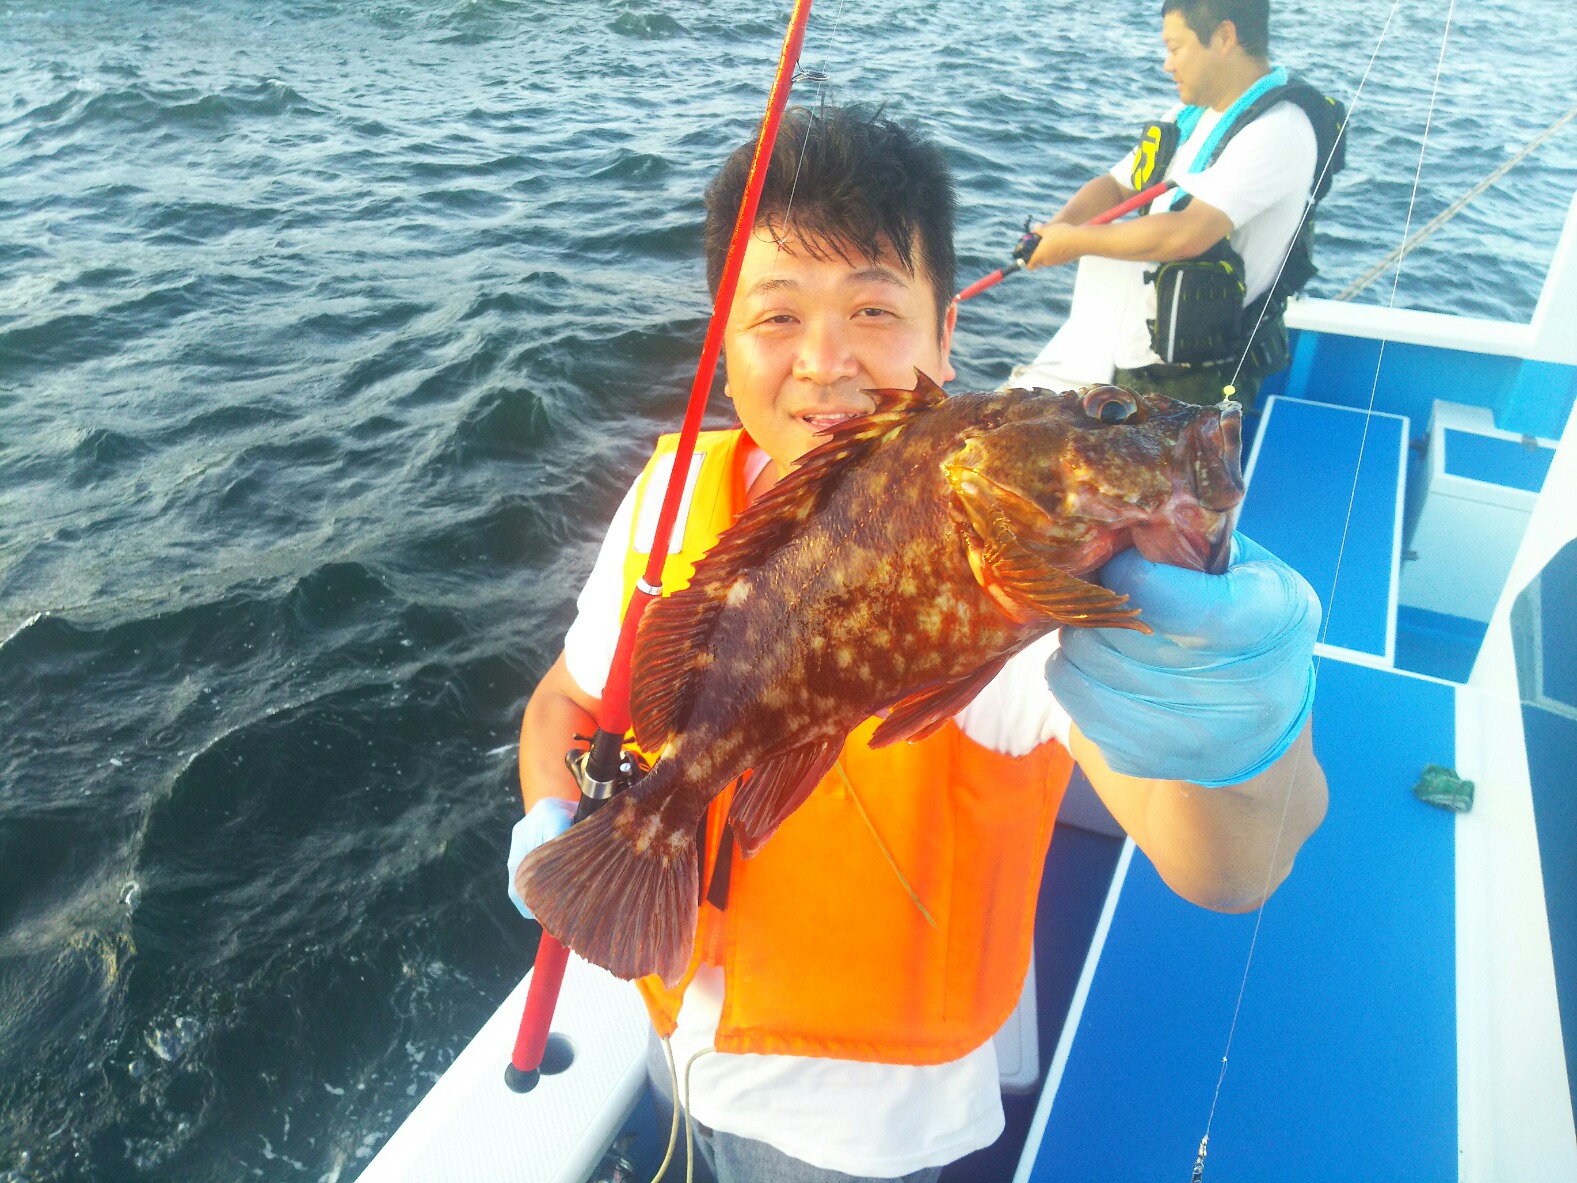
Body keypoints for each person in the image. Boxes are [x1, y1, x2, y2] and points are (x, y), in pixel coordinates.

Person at [507, 104, 1328, 1183]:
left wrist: (1246, 746)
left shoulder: (1046, 590)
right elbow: (565, 702)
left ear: (946, 336)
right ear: (721, 345)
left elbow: (1227, 870)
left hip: (858, 1140)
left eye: (873, 309)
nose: (824, 359)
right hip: (673, 1046)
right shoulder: (668, 500)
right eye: (775, 315)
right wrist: (551, 814)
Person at [1010, 0, 1344, 411]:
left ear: (1224, 37)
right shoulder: (1187, 117)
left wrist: (1074, 243)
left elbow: (1189, 233)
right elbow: (1116, 186)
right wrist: (1051, 232)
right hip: (1131, 358)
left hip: (1196, 381)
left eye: (1176, 48)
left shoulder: (1280, 131)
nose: (1167, 64)